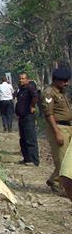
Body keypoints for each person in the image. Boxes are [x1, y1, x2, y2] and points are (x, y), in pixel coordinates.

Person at [42, 68, 72, 196]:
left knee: (68, 160)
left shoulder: (61, 92)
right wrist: (57, 133)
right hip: (58, 128)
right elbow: (49, 114)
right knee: (62, 160)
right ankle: (60, 186)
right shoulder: (49, 93)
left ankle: (53, 180)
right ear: (56, 80)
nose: (67, 83)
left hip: (67, 127)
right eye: (64, 81)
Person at [15, 72, 39, 166]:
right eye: (20, 78)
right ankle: (26, 158)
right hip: (22, 117)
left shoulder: (30, 87)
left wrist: (32, 106)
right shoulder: (21, 89)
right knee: (23, 139)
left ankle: (34, 160)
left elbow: (35, 96)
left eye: (23, 78)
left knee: (30, 138)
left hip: (28, 116)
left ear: (27, 79)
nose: (21, 80)